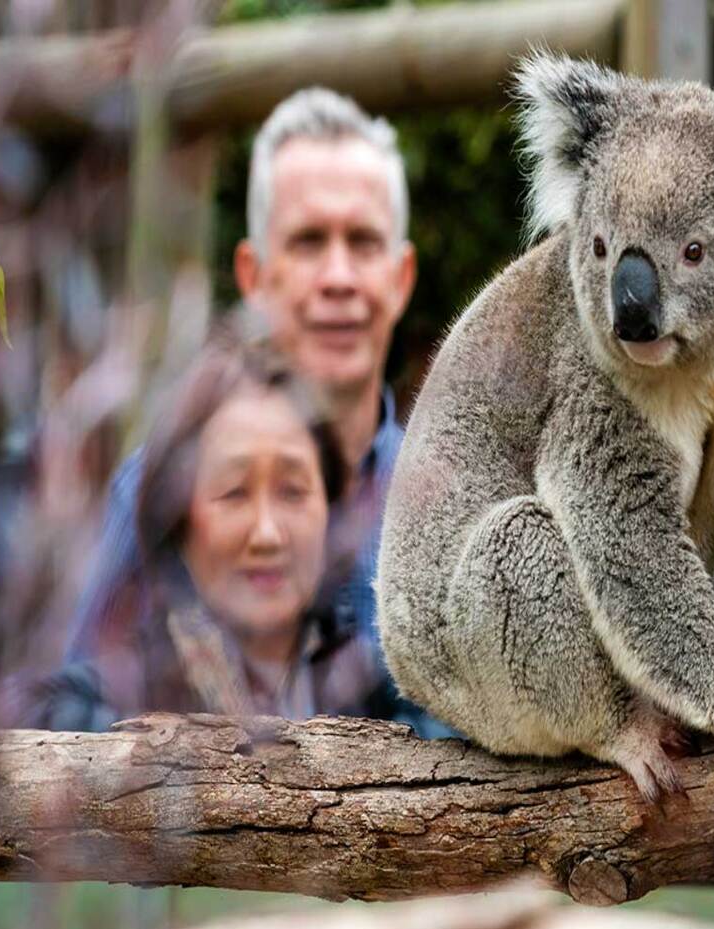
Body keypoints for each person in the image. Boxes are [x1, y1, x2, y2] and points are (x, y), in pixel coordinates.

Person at [61, 87, 447, 734]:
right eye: (307, 242)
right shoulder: (159, 485)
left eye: (363, 242)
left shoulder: (452, 501)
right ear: (252, 276)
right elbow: (67, 727)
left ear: (402, 276)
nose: (339, 277)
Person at [30, 344, 361, 728]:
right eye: (234, 492)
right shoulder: (115, 697)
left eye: (293, 491)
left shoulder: (381, 691)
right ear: (177, 519)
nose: (267, 534)